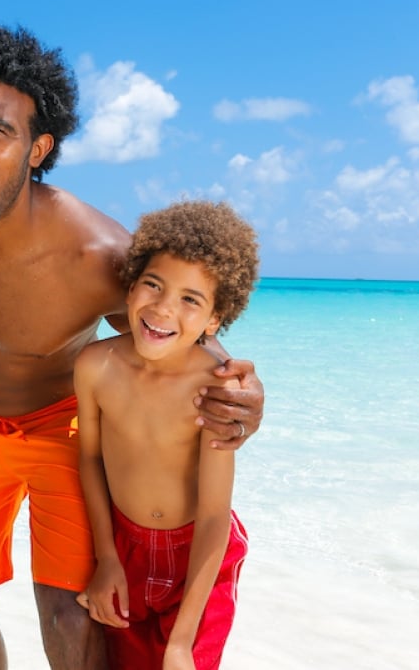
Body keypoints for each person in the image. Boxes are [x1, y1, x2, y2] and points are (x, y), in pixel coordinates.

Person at [0, 23, 265, 670]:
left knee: (70, 616)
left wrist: (243, 393)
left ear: (38, 149)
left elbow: (176, 330)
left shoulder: (98, 255)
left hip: (65, 430)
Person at [73, 200, 258, 669]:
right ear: (131, 288)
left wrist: (181, 642)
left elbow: (215, 517)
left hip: (198, 560)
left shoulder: (215, 387)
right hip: (126, 548)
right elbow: (90, 459)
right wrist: (107, 558)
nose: (162, 308)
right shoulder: (95, 367)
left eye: (190, 300)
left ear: (214, 320)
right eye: (153, 286)